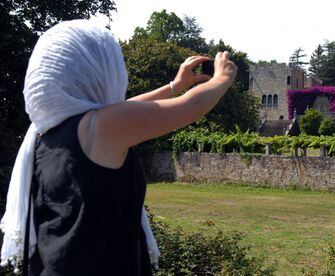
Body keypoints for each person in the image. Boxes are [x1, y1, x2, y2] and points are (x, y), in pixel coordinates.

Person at [0, 19, 237, 275]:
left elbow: (125, 110)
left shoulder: (45, 134)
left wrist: (174, 86)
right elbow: (190, 107)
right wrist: (222, 78)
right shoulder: (99, 128)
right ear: (96, 70)